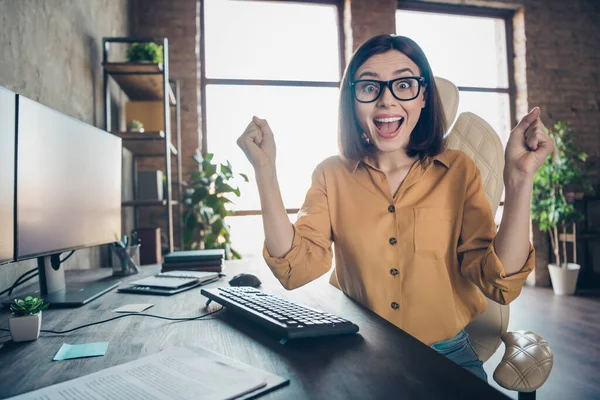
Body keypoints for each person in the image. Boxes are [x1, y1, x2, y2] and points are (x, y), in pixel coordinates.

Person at [236, 34, 554, 381]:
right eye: (370, 87)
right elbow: (296, 269)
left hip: (447, 356)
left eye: (403, 84)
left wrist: (520, 180)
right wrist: (264, 172)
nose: (387, 100)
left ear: (423, 97)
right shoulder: (330, 174)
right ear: (352, 101)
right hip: (357, 351)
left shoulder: (459, 170)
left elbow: (500, 282)